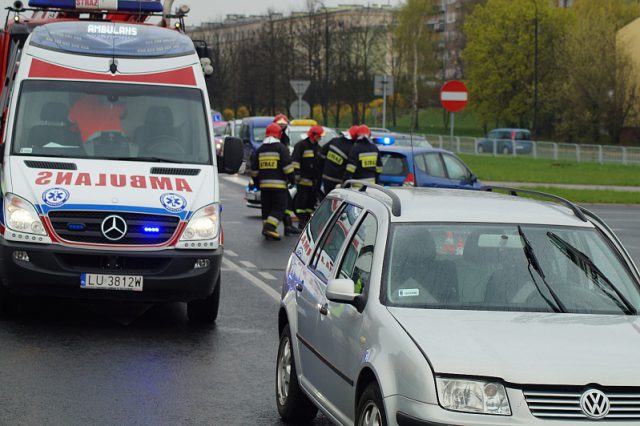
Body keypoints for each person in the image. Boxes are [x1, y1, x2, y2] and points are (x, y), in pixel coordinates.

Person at [250, 123, 297, 240]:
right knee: (280, 207)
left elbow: (254, 171)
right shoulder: (281, 148)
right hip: (279, 187)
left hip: (264, 187)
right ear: (279, 134)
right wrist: (292, 180)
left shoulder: (260, 150)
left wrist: (257, 183)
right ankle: (269, 228)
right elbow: (288, 168)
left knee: (266, 208)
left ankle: (267, 229)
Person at [292, 125, 323, 229]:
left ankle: (307, 219)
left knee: (311, 202)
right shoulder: (301, 145)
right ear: (313, 135)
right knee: (302, 202)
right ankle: (302, 220)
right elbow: (295, 161)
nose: (320, 138)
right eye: (319, 136)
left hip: (313, 182)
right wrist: (297, 174)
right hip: (303, 181)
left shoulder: (318, 148)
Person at [318, 125, 358, 198]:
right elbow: (350, 168)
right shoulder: (352, 148)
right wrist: (344, 182)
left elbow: (321, 155)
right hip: (338, 182)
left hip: (326, 177)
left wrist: (322, 170)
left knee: (327, 199)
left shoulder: (334, 140)